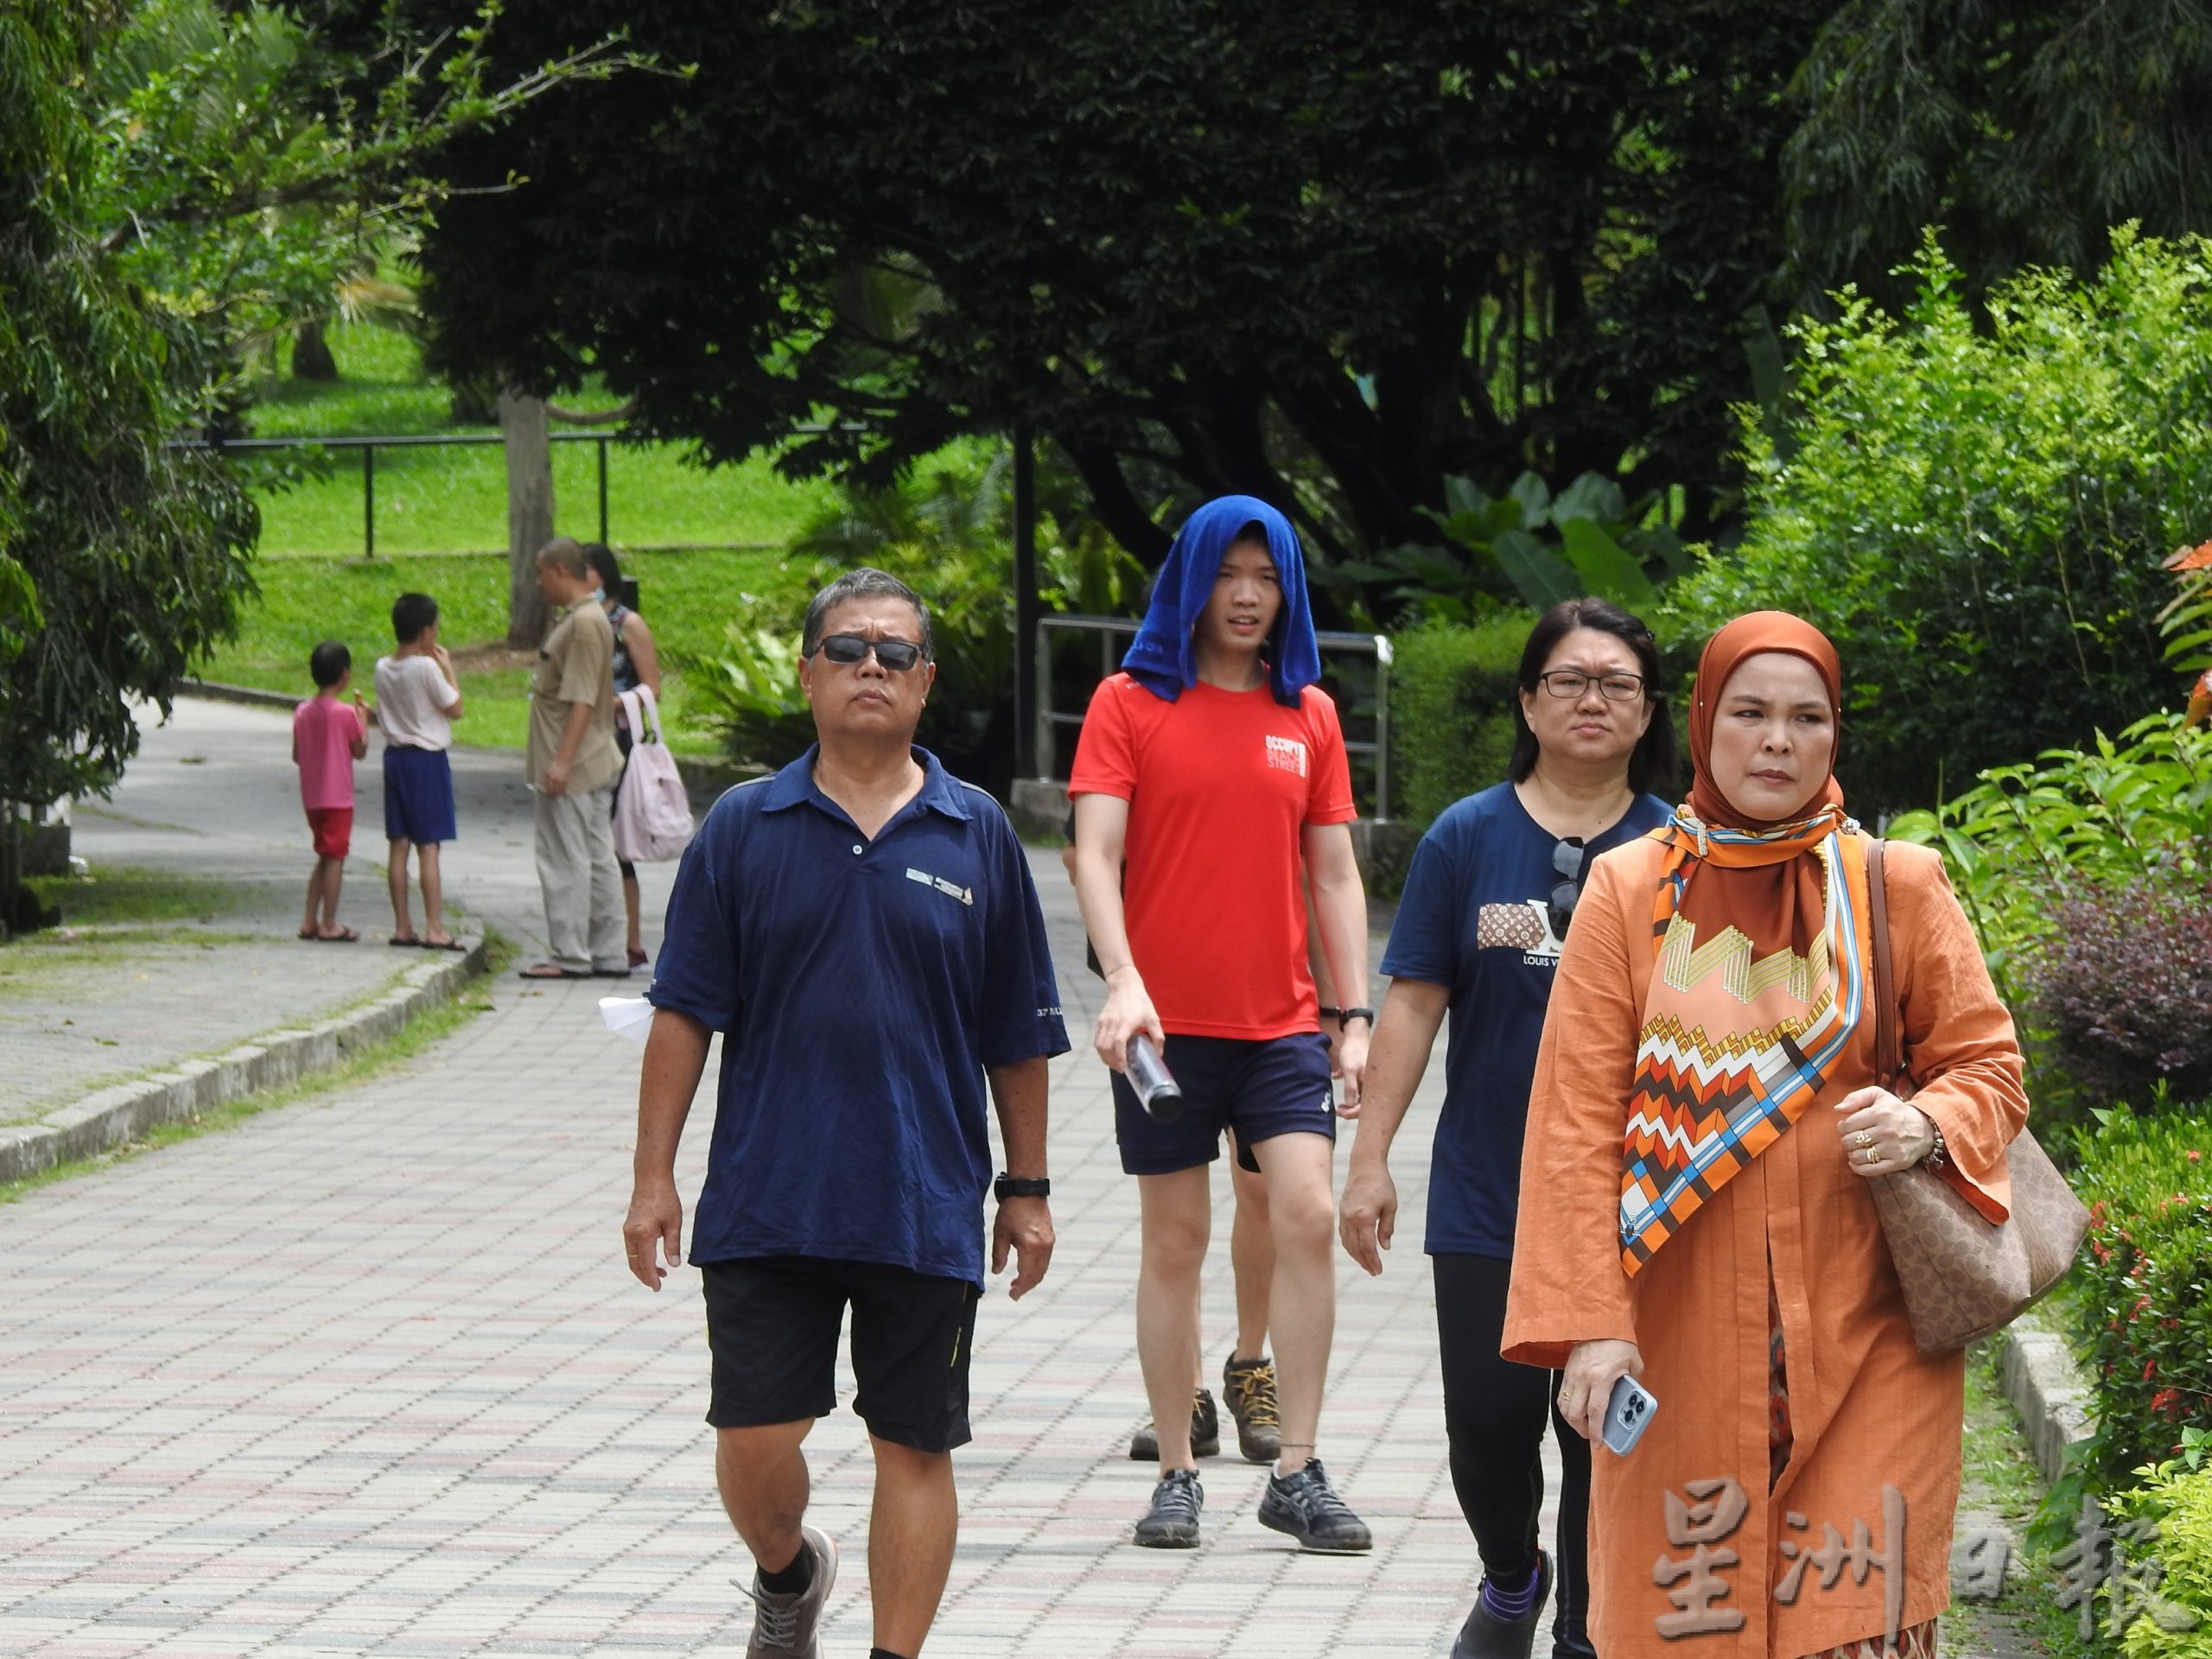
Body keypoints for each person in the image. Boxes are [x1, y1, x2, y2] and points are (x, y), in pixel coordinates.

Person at [1502, 611, 2030, 1659]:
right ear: (1703, 724)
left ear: (1836, 737)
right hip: (1679, 1326)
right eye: (1748, 713)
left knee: (1855, 1617)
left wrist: (1927, 1119)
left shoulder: (1895, 884)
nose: (1776, 741)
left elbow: (1989, 1065)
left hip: (1871, 1325)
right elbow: (1574, 1123)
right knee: (1688, 1614)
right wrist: (1592, 1324)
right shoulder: (1630, 887)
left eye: (1806, 718)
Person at [623, 567, 1065, 1659]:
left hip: (924, 1196)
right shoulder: (742, 828)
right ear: (810, 673)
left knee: (914, 1444)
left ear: (924, 686)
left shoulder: (978, 836)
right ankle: (787, 1571)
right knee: (752, 1436)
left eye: (897, 653)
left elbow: (1018, 1031)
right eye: (850, 649)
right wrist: (651, 1180)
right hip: (771, 1193)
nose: (874, 666)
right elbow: (683, 1014)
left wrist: (1029, 1189)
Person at [1340, 598, 1675, 1659]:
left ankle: (1584, 1630)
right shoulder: (1465, 837)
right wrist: (1369, 1160)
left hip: (1636, 1204)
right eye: (1567, 681)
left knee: (1599, 1441)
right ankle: (1510, 1576)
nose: (1591, 701)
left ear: (1649, 710)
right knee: (1487, 1433)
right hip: (1489, 1190)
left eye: (1615, 683)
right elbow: (1412, 1004)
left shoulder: (1682, 849)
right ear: (1528, 702)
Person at [1070, 493, 1372, 1553]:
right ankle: (1179, 1470)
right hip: (1158, 1029)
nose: (1247, 597)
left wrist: (1355, 1015)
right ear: (1190, 583)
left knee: (1304, 1218)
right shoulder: (1129, 702)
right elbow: (1092, 853)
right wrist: (1122, 980)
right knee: (1176, 1241)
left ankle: (1296, 1469)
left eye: (1269, 577)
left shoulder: (1310, 714)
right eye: (1228, 575)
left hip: (1281, 1026)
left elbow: (1334, 874)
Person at [1058, 819, 1282, 1466]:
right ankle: (1184, 1395)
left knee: (1266, 1188)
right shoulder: (1134, 722)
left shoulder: (1285, 721)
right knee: (1175, 1225)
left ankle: (1251, 1367)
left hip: (1264, 989)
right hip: (1159, 994)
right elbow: (1083, 847)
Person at [518, 537, 628, 980]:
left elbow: (581, 698)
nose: (538, 582)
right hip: (594, 759)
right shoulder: (591, 618)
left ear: (560, 571)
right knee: (599, 856)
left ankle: (570, 955)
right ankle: (608, 953)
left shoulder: (584, 623)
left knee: (566, 858)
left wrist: (561, 761)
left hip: (576, 763)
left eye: (541, 572)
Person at [583, 542, 664, 969]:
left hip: (619, 742)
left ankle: (631, 939)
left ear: (601, 574)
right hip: (582, 742)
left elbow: (652, 686)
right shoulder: (576, 620)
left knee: (619, 843)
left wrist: (610, 704)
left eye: (586, 571)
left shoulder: (627, 624)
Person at [373, 592, 466, 950]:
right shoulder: (425, 667)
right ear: (427, 632)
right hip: (426, 759)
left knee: (399, 844)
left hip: (395, 758)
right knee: (429, 846)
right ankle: (435, 927)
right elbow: (454, 708)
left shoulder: (383, 667)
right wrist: (449, 669)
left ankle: (402, 925)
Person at [292, 640, 369, 943]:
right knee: (336, 858)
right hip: (338, 798)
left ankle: (309, 919)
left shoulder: (302, 712)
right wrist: (364, 720)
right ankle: (329, 922)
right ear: (344, 676)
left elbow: (297, 754)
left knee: (324, 856)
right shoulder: (345, 713)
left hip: (312, 798)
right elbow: (359, 750)